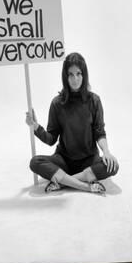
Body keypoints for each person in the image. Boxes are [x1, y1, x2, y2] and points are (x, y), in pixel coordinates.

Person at [26, 52, 119, 193]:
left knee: (113, 165)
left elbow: (99, 132)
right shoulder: (57, 103)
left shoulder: (94, 101)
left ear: (84, 75)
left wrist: (106, 151)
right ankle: (85, 185)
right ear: (65, 77)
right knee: (35, 162)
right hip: (64, 161)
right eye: (70, 74)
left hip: (89, 161)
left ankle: (63, 182)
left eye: (78, 74)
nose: (75, 79)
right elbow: (51, 139)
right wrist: (36, 127)